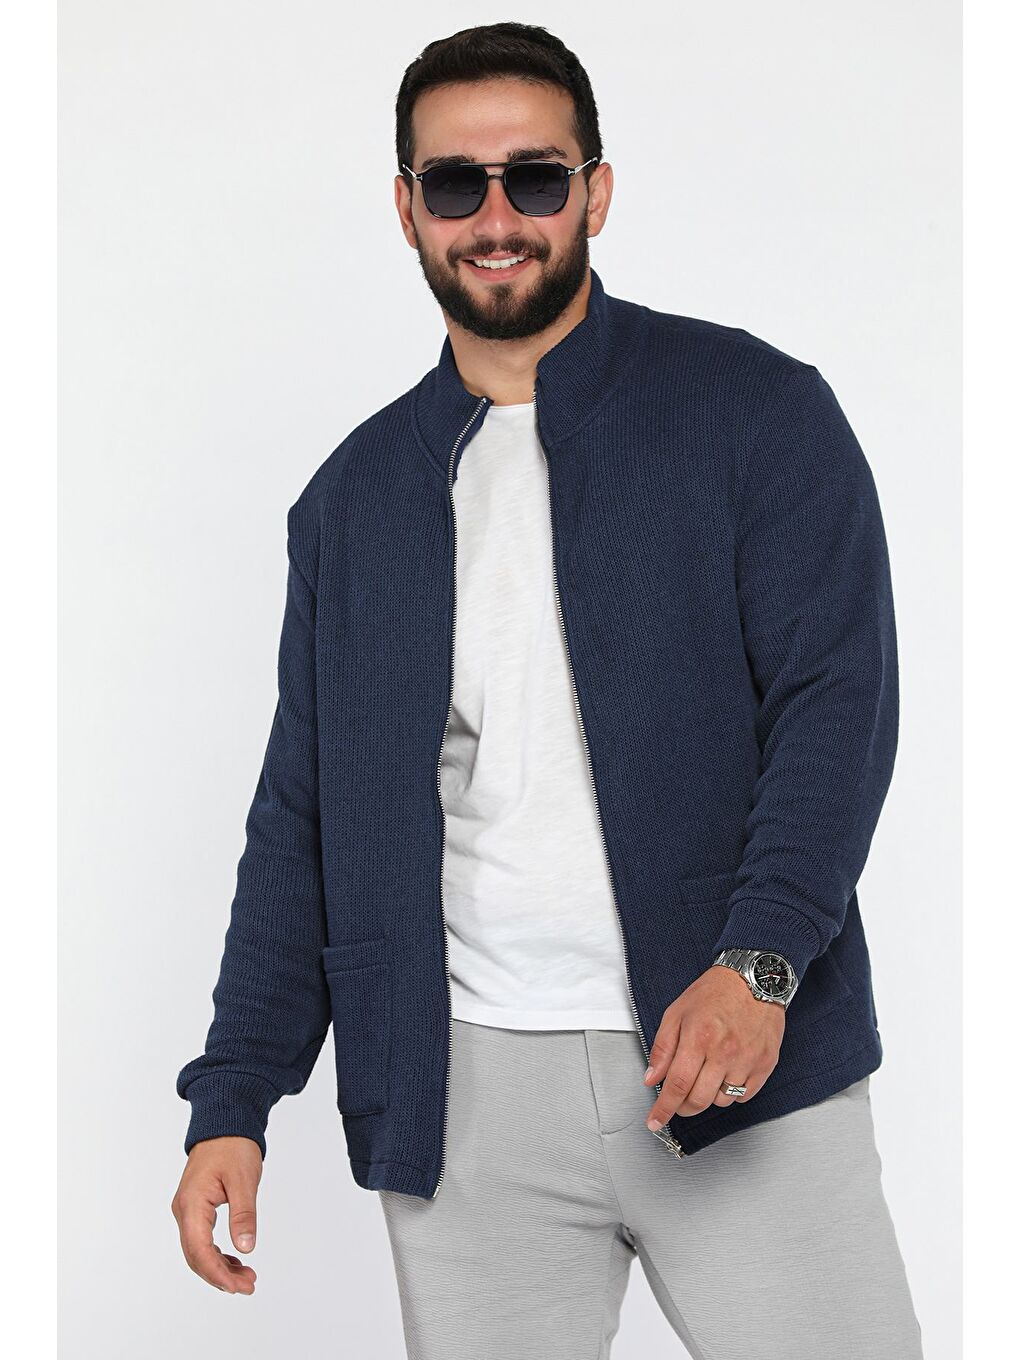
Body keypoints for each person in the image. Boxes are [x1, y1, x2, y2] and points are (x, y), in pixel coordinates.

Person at [171, 21, 925, 1359]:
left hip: (731, 1060)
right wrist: (234, 1095)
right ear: (407, 207)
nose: (497, 217)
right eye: (454, 184)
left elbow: (836, 708)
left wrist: (759, 965)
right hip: (464, 1098)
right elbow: (304, 817)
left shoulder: (754, 413)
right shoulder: (353, 501)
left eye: (535, 176)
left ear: (597, 191)